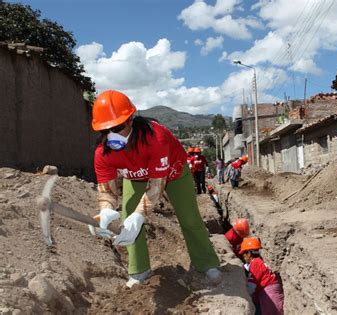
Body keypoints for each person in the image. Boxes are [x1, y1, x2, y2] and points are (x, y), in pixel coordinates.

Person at [91, 90, 221, 287]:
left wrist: (140, 214)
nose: (112, 135)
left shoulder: (156, 138)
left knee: (189, 217)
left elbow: (156, 186)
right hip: (136, 178)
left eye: (117, 127)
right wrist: (106, 209)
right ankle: (139, 270)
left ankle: (206, 263)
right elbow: (107, 191)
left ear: (130, 120)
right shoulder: (103, 154)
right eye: (105, 130)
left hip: (173, 174)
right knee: (129, 223)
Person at [240, 237, 284, 315]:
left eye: (244, 253)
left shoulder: (255, 263)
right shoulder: (258, 262)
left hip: (269, 293)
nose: (243, 256)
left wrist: (244, 295)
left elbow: (251, 285)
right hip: (270, 291)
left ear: (249, 254)